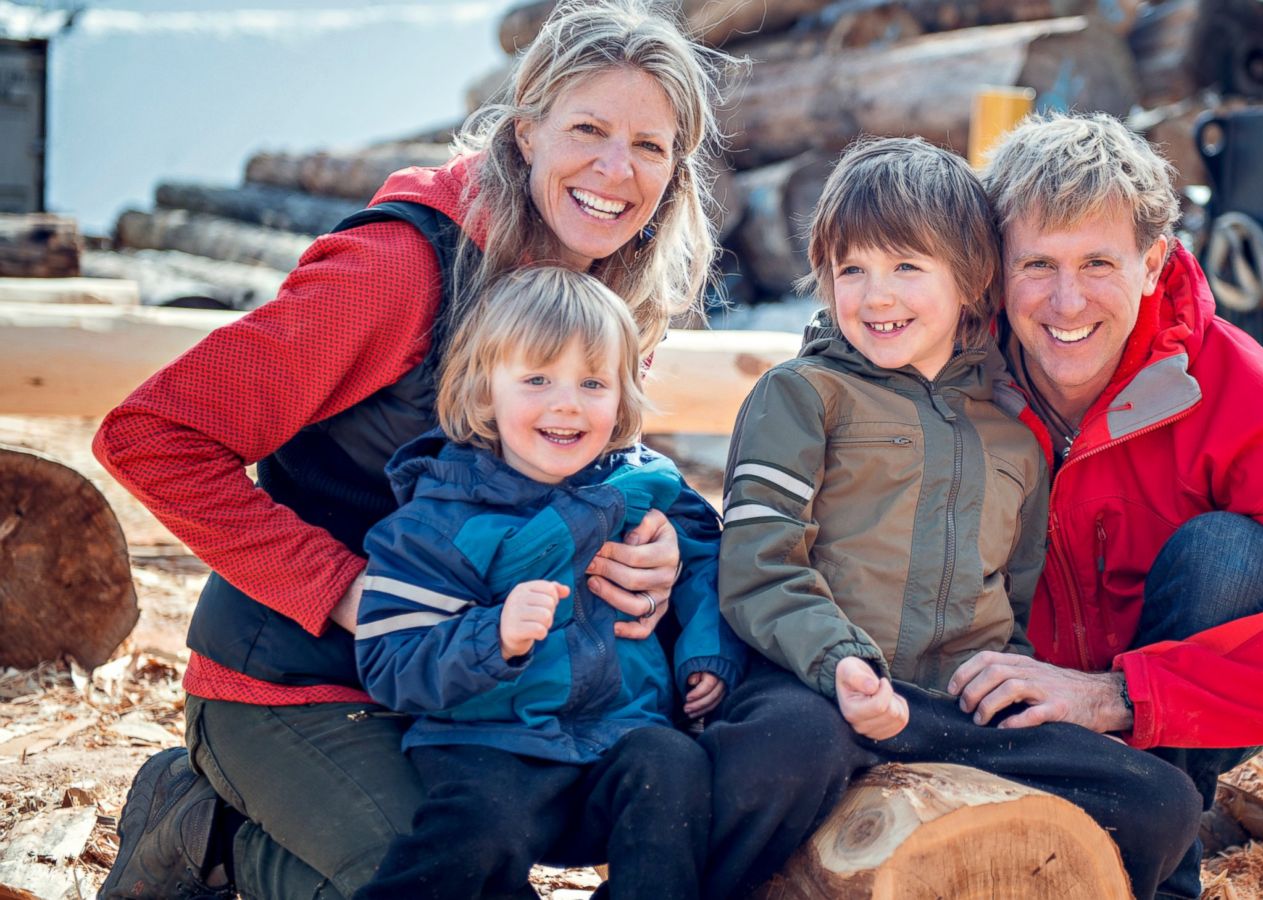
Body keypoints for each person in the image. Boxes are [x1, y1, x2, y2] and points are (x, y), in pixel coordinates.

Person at [92, 2, 734, 897]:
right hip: (299, 682)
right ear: (525, 134)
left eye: (651, 146)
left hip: (475, 705)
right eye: (587, 128)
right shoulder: (400, 271)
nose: (616, 170)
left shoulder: (609, 288)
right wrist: (346, 590)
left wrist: (647, 550)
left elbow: (580, 482)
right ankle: (202, 832)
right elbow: (150, 436)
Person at [702, 136, 1203, 900]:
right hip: (815, 687)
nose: (876, 296)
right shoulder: (803, 396)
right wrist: (841, 660)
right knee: (783, 750)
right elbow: (757, 563)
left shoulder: (1013, 435)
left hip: (950, 712)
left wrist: (1019, 683)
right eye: (852, 270)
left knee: (1161, 802)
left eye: (906, 267)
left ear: (972, 279)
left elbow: (1022, 595)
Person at [947, 111, 1263, 897]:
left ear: (1154, 261)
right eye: (1037, 265)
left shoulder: (1242, 393)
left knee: (1227, 556)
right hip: (990, 692)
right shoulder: (943, 365)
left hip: (1155, 710)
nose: (1065, 302)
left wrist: (1122, 695)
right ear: (995, 267)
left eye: (1098, 262)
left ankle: (1161, 854)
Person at [350, 267, 742, 900]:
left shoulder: (648, 487)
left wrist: (708, 654)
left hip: (619, 732)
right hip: (486, 741)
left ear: (623, 397)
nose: (566, 403)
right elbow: (390, 660)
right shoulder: (436, 519)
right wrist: (493, 635)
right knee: (479, 834)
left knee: (673, 768)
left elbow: (710, 566)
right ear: (484, 393)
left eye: (592, 382)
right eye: (537, 380)